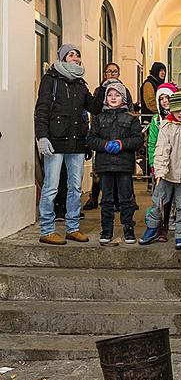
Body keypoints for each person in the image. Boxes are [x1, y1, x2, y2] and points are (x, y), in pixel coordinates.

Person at [35, 44, 105, 245]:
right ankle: (47, 230)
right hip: (55, 142)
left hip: (76, 143)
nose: (75, 57)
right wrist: (42, 136)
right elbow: (42, 109)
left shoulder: (80, 83)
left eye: (77, 55)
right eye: (71, 54)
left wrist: (103, 88)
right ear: (63, 58)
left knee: (75, 187)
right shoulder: (51, 79)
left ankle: (72, 228)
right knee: (51, 187)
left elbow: (94, 107)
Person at [87, 82, 143, 246]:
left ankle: (128, 228)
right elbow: (91, 139)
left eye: (117, 95)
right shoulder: (98, 118)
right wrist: (104, 145)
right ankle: (107, 229)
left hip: (124, 165)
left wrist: (122, 144)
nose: (113, 98)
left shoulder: (131, 119)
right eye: (110, 95)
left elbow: (138, 139)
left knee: (126, 199)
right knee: (106, 200)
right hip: (105, 166)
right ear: (106, 98)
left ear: (123, 98)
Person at [139, 91, 181, 250]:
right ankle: (152, 228)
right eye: (177, 110)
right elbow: (161, 150)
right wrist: (160, 171)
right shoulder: (166, 126)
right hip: (166, 175)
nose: (180, 113)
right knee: (158, 203)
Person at [83, 62, 134, 211]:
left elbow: (129, 108)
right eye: (109, 71)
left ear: (118, 74)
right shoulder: (99, 90)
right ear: (105, 74)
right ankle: (94, 197)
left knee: (123, 172)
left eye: (115, 71)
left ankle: (124, 200)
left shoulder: (125, 90)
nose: (112, 74)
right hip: (103, 132)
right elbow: (95, 108)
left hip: (121, 131)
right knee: (101, 170)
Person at [147, 82, 178, 241]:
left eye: (168, 98)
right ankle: (161, 224)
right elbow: (152, 143)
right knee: (162, 196)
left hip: (179, 163)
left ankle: (178, 223)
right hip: (162, 164)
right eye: (162, 99)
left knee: (179, 197)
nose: (165, 101)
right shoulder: (156, 120)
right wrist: (153, 163)